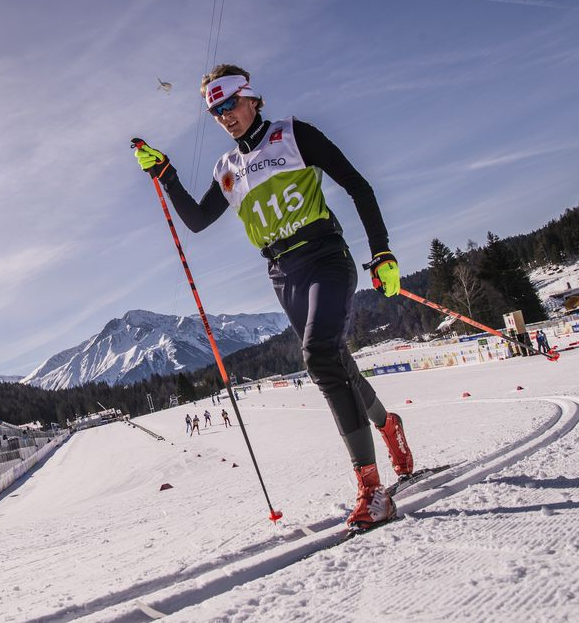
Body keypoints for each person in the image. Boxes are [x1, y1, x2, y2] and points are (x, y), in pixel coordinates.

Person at [133, 64, 414, 530]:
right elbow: (199, 220)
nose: (224, 116)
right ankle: (388, 427)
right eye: (215, 110)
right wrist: (167, 174)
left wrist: (381, 251)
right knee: (336, 361)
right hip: (283, 272)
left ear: (251, 98)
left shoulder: (292, 134)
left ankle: (372, 488)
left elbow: (357, 185)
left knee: (318, 354)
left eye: (229, 104)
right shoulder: (228, 169)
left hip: (324, 254)